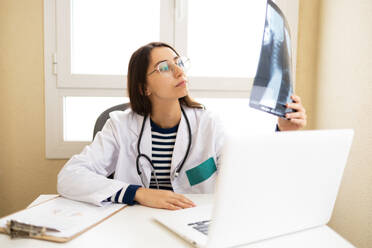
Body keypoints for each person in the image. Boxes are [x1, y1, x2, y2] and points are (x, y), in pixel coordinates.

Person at [57, 42, 307, 210]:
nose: (178, 71)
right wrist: (139, 193)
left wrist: (283, 134)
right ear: (144, 87)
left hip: (193, 224)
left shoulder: (208, 124)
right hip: (133, 228)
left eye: (178, 62)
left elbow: (247, 178)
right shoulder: (121, 125)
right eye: (164, 67)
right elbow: (69, 177)